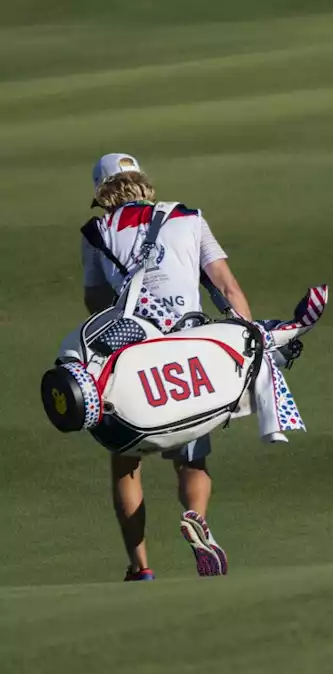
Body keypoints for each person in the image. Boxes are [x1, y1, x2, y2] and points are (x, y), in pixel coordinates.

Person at [81, 153, 254, 580]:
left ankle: (140, 567)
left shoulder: (97, 232)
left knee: (125, 461)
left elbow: (96, 306)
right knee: (192, 458)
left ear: (103, 193)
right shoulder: (187, 216)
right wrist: (251, 340)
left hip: (135, 355)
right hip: (187, 349)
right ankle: (195, 515)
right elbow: (226, 285)